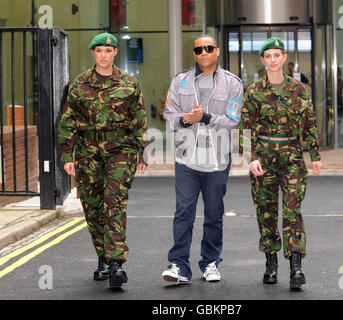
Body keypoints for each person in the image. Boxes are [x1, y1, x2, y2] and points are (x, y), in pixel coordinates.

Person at [58, 32, 148, 288]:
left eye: (108, 51)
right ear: (93, 54)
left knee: (114, 202)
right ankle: (103, 256)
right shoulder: (80, 83)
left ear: (115, 53)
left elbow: (139, 119)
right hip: (88, 151)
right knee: (93, 205)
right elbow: (68, 120)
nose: (104, 55)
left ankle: (117, 263)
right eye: (99, 51)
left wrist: (141, 152)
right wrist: (68, 154)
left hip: (121, 149)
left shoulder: (129, 82)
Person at [240, 37, 322, 290]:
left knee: (292, 211)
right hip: (263, 157)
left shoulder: (299, 89)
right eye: (268, 56)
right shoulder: (253, 91)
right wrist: (249, 158)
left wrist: (315, 156)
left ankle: (296, 267)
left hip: (293, 157)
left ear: (284, 58)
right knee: (266, 213)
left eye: (277, 55)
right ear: (263, 60)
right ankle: (271, 263)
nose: (273, 60)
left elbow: (309, 123)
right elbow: (246, 128)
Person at [162, 34, 243, 284]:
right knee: (183, 212)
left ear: (217, 51)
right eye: (199, 50)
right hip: (187, 159)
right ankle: (179, 266)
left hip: (217, 161)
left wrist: (205, 117)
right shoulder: (180, 81)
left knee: (213, 214)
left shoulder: (233, 83)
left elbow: (233, 119)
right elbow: (169, 114)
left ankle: (210, 263)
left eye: (208, 48)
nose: (203, 53)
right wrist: (186, 119)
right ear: (194, 54)